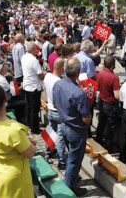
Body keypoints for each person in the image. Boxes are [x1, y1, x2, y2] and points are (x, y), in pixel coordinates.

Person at [0, 84, 36, 198]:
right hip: (14, 178)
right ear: (5, 100)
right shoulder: (14, 130)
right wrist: (32, 143)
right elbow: (29, 153)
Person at [53, 57, 91, 196]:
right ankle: (69, 189)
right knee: (74, 161)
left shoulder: (58, 84)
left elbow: (56, 104)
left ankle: (73, 177)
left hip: (63, 125)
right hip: (76, 131)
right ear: (78, 73)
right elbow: (86, 119)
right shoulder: (79, 93)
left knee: (72, 157)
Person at [43, 58, 66, 169]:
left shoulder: (47, 76)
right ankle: (61, 161)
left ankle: (47, 151)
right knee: (60, 138)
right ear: (62, 68)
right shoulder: (59, 82)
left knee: (51, 132)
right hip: (58, 112)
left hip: (50, 110)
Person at [96, 55, 121, 151]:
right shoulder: (114, 77)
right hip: (110, 105)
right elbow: (116, 96)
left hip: (102, 103)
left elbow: (98, 87)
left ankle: (98, 139)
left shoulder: (100, 73)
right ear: (113, 65)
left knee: (101, 123)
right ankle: (108, 146)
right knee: (111, 127)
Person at [21, 41, 45, 134]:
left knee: (29, 106)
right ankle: (34, 128)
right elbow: (40, 75)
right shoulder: (33, 60)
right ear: (33, 49)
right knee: (34, 109)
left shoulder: (24, 57)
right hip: (34, 86)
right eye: (36, 49)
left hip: (27, 85)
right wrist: (44, 74)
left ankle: (29, 124)